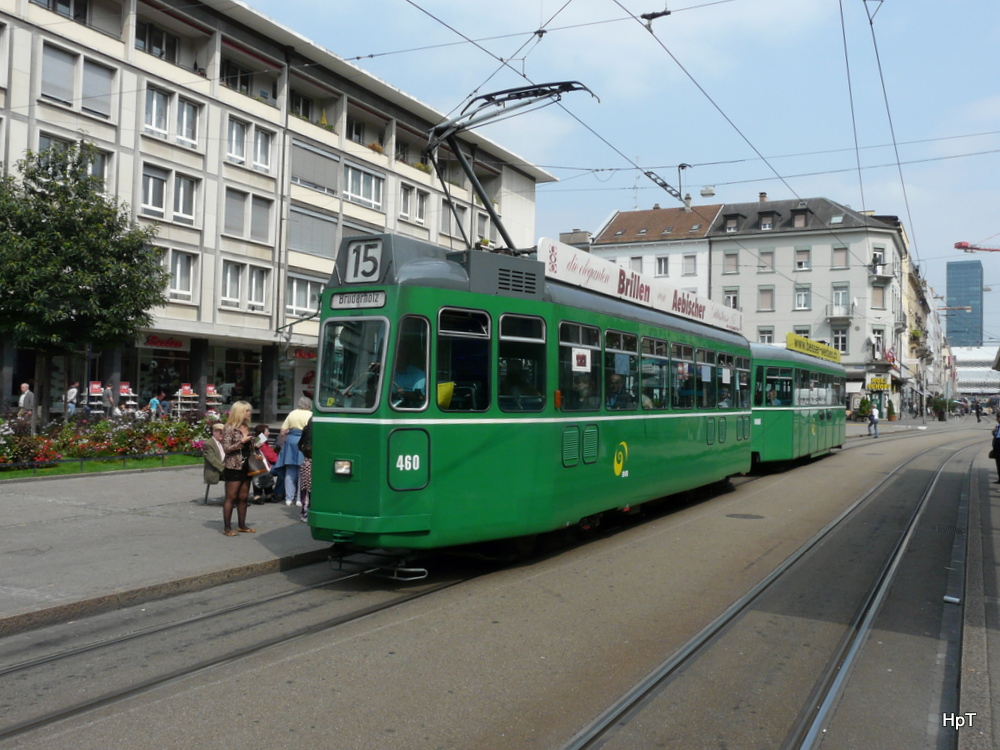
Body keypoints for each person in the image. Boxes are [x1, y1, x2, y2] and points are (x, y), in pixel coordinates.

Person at [221, 401, 255, 536]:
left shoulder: (246, 427)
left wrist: (256, 444)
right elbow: (227, 448)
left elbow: (250, 446)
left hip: (247, 465)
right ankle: (227, 528)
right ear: (240, 412)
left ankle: (242, 525)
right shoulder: (229, 428)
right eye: (247, 411)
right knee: (231, 497)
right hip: (233, 466)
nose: (249, 413)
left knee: (243, 496)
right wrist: (242, 442)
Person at [276, 397, 312, 507]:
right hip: (304, 443)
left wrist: (283, 444)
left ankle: (288, 498)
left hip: (290, 441)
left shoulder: (292, 413)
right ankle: (299, 499)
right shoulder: (311, 414)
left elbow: (282, 431)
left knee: (290, 471)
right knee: (303, 472)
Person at [250, 423, 279, 504]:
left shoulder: (259, 440)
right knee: (281, 470)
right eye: (267, 431)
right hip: (260, 464)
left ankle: (266, 494)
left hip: (259, 464)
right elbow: (270, 456)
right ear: (262, 433)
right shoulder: (261, 441)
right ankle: (271, 493)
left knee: (263, 471)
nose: (269, 433)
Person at [202, 423, 226, 503]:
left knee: (241, 474)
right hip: (216, 470)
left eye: (223, 432)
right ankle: (230, 500)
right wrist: (224, 468)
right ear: (214, 432)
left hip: (227, 467)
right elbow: (213, 460)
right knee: (233, 476)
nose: (222, 434)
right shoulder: (208, 444)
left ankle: (239, 499)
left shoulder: (224, 442)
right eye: (220, 432)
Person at [992, 413, 1000, 484]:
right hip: (997, 445)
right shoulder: (997, 426)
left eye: (998, 417)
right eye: (997, 417)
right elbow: (995, 435)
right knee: (998, 462)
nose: (997, 419)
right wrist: (994, 431)